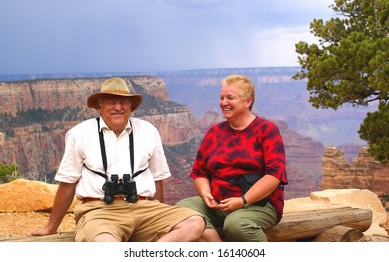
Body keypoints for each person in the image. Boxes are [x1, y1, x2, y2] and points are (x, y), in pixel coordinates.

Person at [29, 77, 205, 242]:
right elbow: (68, 183)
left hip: (143, 207)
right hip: (100, 210)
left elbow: (157, 178)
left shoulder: (148, 130)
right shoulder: (79, 134)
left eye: (123, 102)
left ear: (131, 106)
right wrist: (51, 227)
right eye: (111, 102)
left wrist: (158, 213)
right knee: (105, 243)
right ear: (99, 107)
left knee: (195, 222)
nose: (118, 107)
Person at [176, 74, 287, 242]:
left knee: (236, 224)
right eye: (221, 98)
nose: (224, 102)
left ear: (247, 101)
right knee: (181, 210)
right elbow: (200, 173)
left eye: (230, 98)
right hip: (218, 202)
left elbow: (274, 176)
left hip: (259, 204)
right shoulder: (214, 132)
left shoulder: (266, 130)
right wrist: (205, 193)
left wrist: (243, 201)